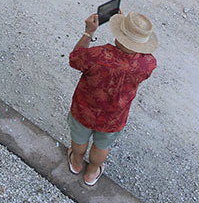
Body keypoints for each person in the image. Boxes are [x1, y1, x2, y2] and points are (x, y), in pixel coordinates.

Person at [66, 11, 158, 185]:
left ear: (119, 35)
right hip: (114, 117)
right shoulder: (148, 64)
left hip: (84, 109)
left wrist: (88, 32)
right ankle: (91, 173)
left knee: (79, 140)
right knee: (101, 146)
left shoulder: (97, 56)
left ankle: (76, 163)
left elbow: (75, 59)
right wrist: (132, 32)